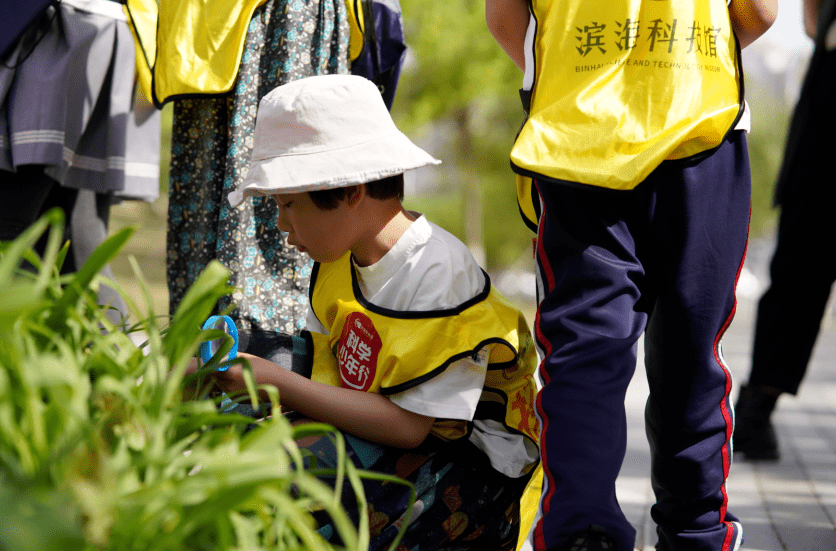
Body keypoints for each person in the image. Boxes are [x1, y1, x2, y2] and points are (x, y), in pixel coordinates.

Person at [188, 74, 541, 550]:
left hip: (470, 473)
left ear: (350, 189)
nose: (281, 225)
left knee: (286, 472)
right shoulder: (338, 260)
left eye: (289, 205)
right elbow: (324, 369)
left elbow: (408, 427)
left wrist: (270, 380)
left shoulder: (436, 271)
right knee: (231, 395)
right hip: (389, 427)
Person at [486, 1, 776, 550]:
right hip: (700, 125)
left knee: (585, 349)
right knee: (691, 351)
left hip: (577, 138)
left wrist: (575, 71)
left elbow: (504, 18)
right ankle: (697, 532)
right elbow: (759, 13)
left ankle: (581, 528)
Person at [150, 0, 350, 335]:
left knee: (280, 192)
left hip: (271, 21)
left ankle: (265, 358)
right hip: (209, 30)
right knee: (207, 216)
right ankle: (205, 357)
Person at [0, 0, 160, 322]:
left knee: (13, 236)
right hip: (103, 32)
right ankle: (112, 365)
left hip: (56, 34)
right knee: (79, 248)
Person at [735, 0, 836, 461]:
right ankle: (758, 404)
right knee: (799, 270)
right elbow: (812, 15)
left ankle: (759, 403)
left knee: (798, 271)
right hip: (827, 112)